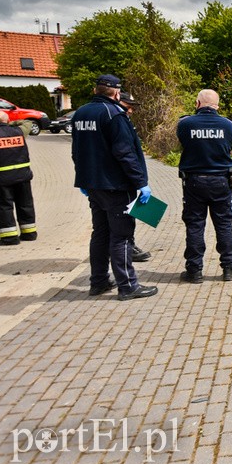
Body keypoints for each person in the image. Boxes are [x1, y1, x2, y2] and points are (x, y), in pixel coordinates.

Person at [72, 74, 158, 301]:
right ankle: (128, 286)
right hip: (116, 186)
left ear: (95, 90)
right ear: (117, 93)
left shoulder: (80, 113)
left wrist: (84, 179)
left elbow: (77, 150)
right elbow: (124, 153)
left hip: (93, 185)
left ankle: (98, 281)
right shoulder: (114, 114)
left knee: (100, 233)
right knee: (122, 236)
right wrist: (141, 183)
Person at [177, 89, 232, 283]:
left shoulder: (185, 124)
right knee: (224, 224)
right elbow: (230, 146)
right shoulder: (228, 125)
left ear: (197, 103)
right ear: (217, 106)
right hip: (221, 181)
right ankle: (228, 268)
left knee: (195, 225)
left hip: (194, 181)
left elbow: (183, 142)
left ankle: (194, 271)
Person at [0, 111, 37, 245]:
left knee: (4, 207)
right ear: (7, 121)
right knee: (25, 204)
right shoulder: (19, 131)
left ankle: (10, 238)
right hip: (22, 176)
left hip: (1, 179)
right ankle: (29, 234)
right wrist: (9, 124)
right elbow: (28, 122)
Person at [118, 91, 151, 263]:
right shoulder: (115, 120)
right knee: (122, 219)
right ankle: (126, 250)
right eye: (128, 106)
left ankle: (129, 245)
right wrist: (140, 182)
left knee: (126, 217)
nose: (131, 110)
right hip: (121, 182)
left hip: (127, 180)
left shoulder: (124, 121)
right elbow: (126, 154)